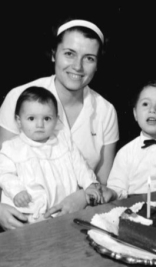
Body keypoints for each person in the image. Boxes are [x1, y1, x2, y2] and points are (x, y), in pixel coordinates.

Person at [0, 18, 119, 228]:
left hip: (78, 223)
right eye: (69, 53)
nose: (78, 66)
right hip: (20, 222)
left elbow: (103, 185)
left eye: (89, 58)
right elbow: (4, 164)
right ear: (54, 54)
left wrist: (83, 198)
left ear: (97, 64)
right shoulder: (19, 97)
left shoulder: (106, 111)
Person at [0, 86, 103, 224]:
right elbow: (4, 174)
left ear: (56, 120)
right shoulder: (12, 148)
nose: (40, 125)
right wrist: (17, 191)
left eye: (47, 118)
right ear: (19, 121)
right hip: (29, 213)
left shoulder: (63, 142)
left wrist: (89, 184)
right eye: (31, 118)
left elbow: (80, 166)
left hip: (64, 210)